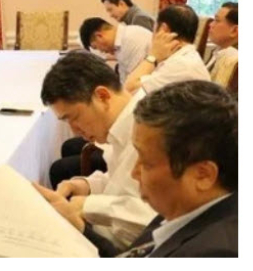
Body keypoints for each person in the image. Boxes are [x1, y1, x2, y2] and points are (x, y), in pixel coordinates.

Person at [36, 80, 238, 257]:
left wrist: (87, 210)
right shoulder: (183, 207)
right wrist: (79, 226)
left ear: (203, 175)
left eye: (147, 163)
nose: (134, 172)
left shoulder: (214, 253)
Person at [40, 51, 157, 249]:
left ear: (102, 96)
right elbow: (119, 181)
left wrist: (87, 206)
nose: (74, 130)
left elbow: (156, 218)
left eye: (74, 117)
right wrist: (86, 185)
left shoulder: (150, 132)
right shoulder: (124, 123)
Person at [124, 4, 210, 94]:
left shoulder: (181, 65)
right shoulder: (183, 57)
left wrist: (153, 55)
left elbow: (129, 89)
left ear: (163, 29)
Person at [80, 17, 152, 83]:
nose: (101, 51)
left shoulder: (130, 39)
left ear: (99, 36)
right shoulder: (120, 45)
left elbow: (134, 81)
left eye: (95, 47)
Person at [206, 2, 238, 74]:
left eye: (217, 20)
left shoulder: (234, 61)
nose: (210, 24)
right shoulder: (218, 50)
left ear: (234, 31)